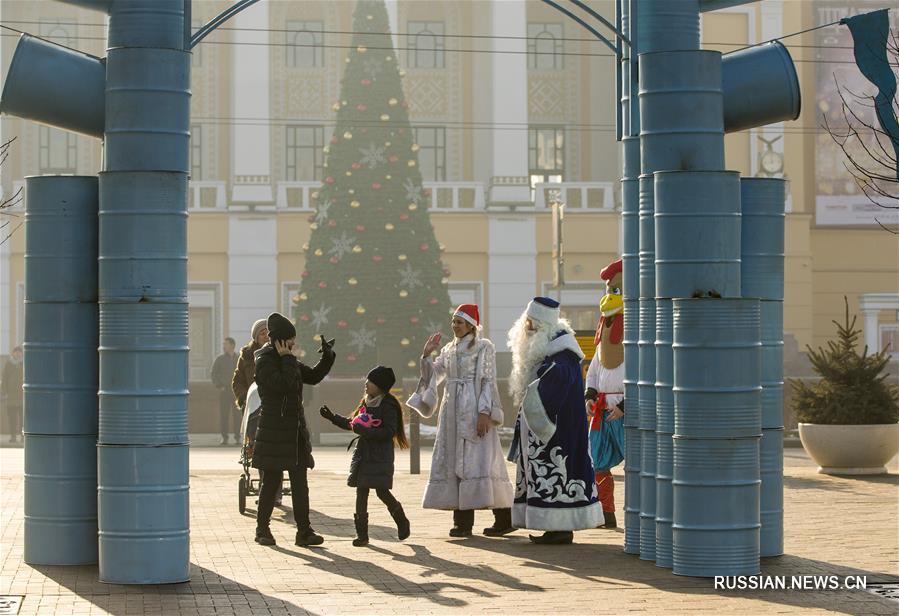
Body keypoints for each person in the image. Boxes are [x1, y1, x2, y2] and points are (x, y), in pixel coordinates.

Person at [407, 304, 515, 538]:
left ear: (471, 325)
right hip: (452, 411)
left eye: (459, 322)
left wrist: (485, 412)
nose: (454, 325)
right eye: (453, 321)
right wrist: (426, 355)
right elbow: (435, 375)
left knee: (481, 461)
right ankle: (463, 523)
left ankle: (505, 517)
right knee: (456, 460)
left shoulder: (484, 347)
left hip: (474, 407)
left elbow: (488, 380)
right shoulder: (449, 348)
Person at [507, 297, 604, 544]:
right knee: (550, 475)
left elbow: (556, 382)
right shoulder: (550, 349)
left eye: (530, 323)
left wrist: (540, 379)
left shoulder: (563, 353)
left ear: (541, 325)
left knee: (560, 474)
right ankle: (553, 527)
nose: (526, 328)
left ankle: (560, 528)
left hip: (560, 428)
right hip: (551, 428)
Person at [252, 312, 335, 547]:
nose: (293, 344)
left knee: (300, 483)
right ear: (279, 340)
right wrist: (287, 359)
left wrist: (327, 357)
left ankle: (304, 531)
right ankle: (262, 530)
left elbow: (312, 376)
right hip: (274, 432)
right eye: (290, 340)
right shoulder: (265, 360)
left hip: (295, 431)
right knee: (271, 482)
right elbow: (284, 385)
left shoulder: (288, 359)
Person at [319, 366, 411, 547]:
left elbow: (388, 432)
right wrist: (333, 417)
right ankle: (362, 535)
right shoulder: (366, 402)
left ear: (380, 385)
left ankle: (402, 521)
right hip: (363, 454)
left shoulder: (388, 405)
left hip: (379, 456)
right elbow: (353, 423)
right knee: (361, 492)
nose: (366, 384)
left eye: (370, 381)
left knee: (382, 491)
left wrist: (367, 431)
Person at [584, 259, 626, 529]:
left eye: (617, 290)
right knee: (597, 460)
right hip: (602, 407)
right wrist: (590, 393)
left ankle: (638, 512)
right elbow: (595, 368)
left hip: (623, 408)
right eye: (609, 290)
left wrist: (626, 404)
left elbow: (644, 370)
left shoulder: (634, 330)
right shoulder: (604, 330)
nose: (610, 296)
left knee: (636, 463)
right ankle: (605, 513)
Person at [232, 319, 269, 412]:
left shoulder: (278, 352)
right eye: (262, 333)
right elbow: (237, 381)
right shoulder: (246, 356)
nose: (266, 337)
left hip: (272, 406)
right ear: (256, 337)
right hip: (252, 406)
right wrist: (245, 398)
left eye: (268, 333)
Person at [212, 337, 239, 445]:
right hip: (225, 390)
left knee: (238, 415)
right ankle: (224, 437)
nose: (224, 346)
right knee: (224, 415)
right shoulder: (220, 359)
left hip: (237, 391)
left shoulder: (239, 358)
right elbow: (214, 374)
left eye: (226, 344)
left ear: (232, 345)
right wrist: (219, 385)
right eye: (223, 344)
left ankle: (238, 437)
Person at [1, 346, 23, 443]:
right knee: (12, 418)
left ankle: (23, 436)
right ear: (13, 353)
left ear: (22, 354)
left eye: (19, 352)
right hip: (11, 396)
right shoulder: (8, 364)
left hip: (22, 395)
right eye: (16, 352)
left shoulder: (24, 363)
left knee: (23, 418)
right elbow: (4, 378)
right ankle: (13, 436)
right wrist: (4, 392)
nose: (18, 354)